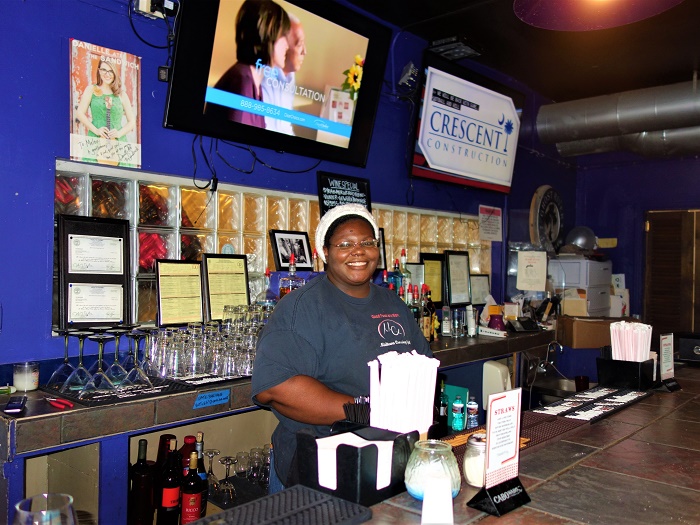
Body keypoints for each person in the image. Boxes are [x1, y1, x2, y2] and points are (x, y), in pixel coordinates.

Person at [251, 203, 432, 491]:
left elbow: (424, 368)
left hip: (391, 456)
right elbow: (276, 388)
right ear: (325, 252)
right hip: (321, 463)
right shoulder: (301, 306)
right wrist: (365, 411)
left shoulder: (393, 304)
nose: (358, 251)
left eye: (367, 243)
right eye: (345, 244)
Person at [206, 0, 290, 127]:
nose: (287, 45)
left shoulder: (255, 83)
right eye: (283, 35)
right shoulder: (242, 80)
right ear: (266, 33)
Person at [74, 59, 136, 164]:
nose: (107, 74)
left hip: (118, 142)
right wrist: (96, 130)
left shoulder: (121, 94)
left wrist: (119, 133)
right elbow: (80, 113)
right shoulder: (91, 89)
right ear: (99, 71)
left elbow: (132, 122)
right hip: (95, 138)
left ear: (115, 73)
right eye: (104, 70)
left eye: (110, 71)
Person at [261, 13, 306, 134]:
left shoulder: (290, 76)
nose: (305, 52)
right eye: (300, 44)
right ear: (282, 43)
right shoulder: (263, 76)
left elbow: (285, 126)